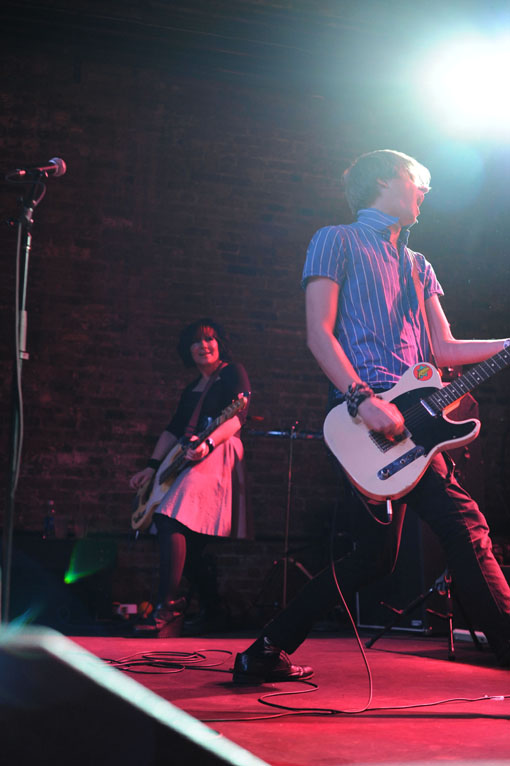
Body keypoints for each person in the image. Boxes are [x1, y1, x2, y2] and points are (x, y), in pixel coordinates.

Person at [232, 149, 510, 683]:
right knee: (465, 525)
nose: (425, 190)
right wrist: (363, 398)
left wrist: (505, 343)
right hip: (364, 416)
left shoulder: (419, 265)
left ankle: (265, 650)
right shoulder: (334, 240)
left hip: (417, 419)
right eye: (417, 180)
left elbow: (444, 349)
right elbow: (319, 333)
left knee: (376, 558)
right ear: (384, 180)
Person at [130, 318, 251, 635]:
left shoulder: (232, 372)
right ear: (188, 350)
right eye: (196, 342)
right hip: (185, 456)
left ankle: (166, 608)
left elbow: (239, 416)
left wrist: (209, 443)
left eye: (209, 339)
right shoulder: (190, 389)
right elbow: (173, 430)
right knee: (190, 541)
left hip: (218, 451)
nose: (203, 346)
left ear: (219, 343)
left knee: (169, 518)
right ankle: (213, 610)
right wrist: (151, 467)